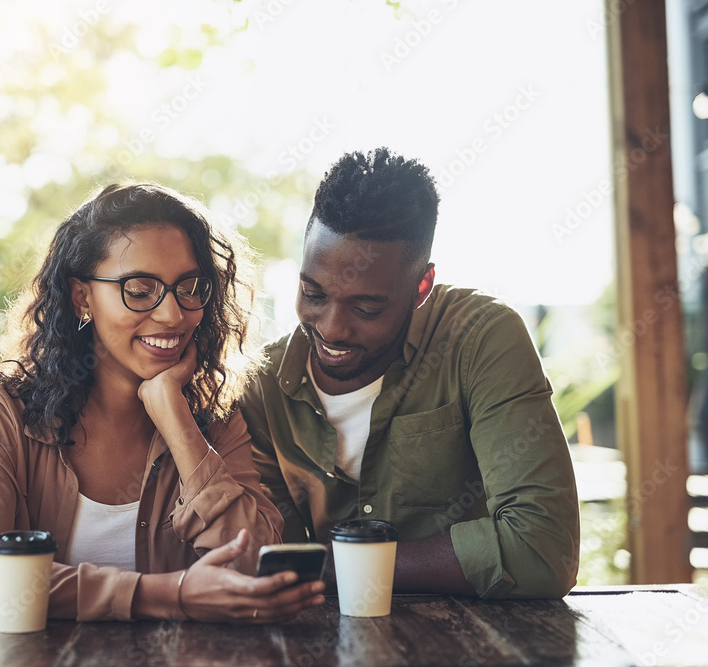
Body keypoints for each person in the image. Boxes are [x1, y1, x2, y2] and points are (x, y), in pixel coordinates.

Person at [0, 183, 326, 622]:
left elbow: (256, 571)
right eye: (139, 289)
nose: (172, 315)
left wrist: (177, 421)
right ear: (81, 296)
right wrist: (171, 595)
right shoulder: (3, 408)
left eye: (189, 286)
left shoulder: (213, 415)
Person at [241, 149, 581, 599]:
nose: (332, 327)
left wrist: (345, 568)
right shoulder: (264, 388)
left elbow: (543, 552)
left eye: (367, 307)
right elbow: (276, 565)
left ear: (421, 287)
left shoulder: (479, 339)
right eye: (313, 293)